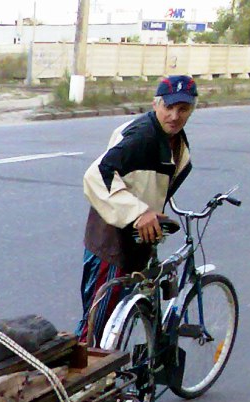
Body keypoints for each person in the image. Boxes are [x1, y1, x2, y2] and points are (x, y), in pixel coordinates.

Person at [76, 75, 197, 343]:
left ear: (192, 109)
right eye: (169, 107)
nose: (175, 116)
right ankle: (85, 368)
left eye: (183, 109)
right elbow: (96, 176)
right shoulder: (143, 136)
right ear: (156, 104)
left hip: (138, 237)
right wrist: (138, 212)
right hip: (112, 241)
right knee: (96, 325)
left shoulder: (173, 139)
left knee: (118, 317)